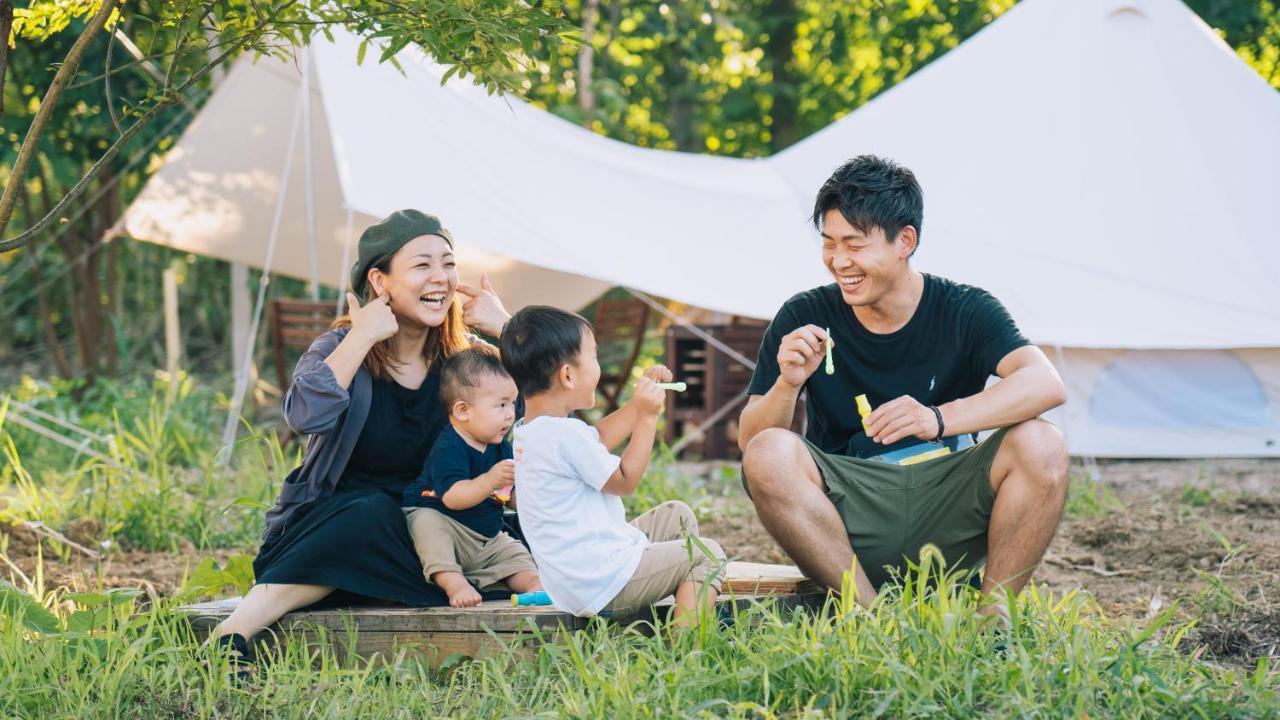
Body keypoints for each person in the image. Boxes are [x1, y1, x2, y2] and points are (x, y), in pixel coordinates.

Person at [737, 155, 1069, 622]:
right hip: (851, 512)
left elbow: (1045, 384)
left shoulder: (964, 309)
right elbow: (752, 442)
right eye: (829, 244)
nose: (839, 260)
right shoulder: (803, 315)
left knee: (1043, 442)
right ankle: (869, 618)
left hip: (947, 498)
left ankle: (995, 623)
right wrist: (788, 384)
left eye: (855, 244)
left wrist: (937, 418)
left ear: (905, 241)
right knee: (769, 451)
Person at [211, 209, 512, 677]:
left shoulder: (466, 359)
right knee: (371, 512)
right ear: (380, 280)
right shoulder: (338, 347)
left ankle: (382, 582)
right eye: (421, 265)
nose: (441, 278)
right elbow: (304, 415)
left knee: (507, 536)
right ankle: (230, 637)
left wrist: (508, 331)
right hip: (345, 524)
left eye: (448, 263)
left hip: (436, 532)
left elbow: (548, 406)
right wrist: (362, 335)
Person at [501, 306, 725, 623]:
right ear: (568, 375)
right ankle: (687, 646)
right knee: (706, 553)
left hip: (578, 579)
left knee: (676, 515)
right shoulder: (564, 434)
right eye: (594, 357)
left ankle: (686, 606)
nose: (599, 365)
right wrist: (647, 418)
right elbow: (625, 480)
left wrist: (637, 404)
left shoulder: (533, 430)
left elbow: (598, 438)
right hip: (600, 582)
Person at [401, 346, 541, 608]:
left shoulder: (501, 447)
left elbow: (509, 497)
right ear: (463, 410)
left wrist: (528, 497)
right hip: (447, 524)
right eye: (500, 405)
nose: (510, 413)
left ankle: (534, 584)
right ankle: (454, 583)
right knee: (426, 524)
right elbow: (453, 497)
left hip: (486, 535)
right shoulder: (449, 446)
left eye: (512, 403)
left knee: (514, 552)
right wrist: (489, 480)